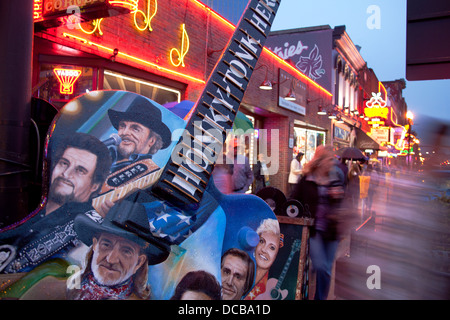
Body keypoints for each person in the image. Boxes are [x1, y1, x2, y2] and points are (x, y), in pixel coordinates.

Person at [0, 133, 112, 274]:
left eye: (80, 171)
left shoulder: (88, 229)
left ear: (95, 185)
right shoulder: (23, 200)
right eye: (64, 163)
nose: (66, 173)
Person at [67, 201, 168, 300]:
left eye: (126, 251)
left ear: (139, 262)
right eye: (106, 245)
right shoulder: (63, 288)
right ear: (95, 245)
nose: (111, 259)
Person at [97, 96, 173, 215]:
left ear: (152, 141)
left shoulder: (155, 178)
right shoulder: (101, 160)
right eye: (122, 126)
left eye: (135, 128)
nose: (125, 132)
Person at [290, 145, 345, 300]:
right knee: (321, 266)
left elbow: (341, 201)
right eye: (329, 159)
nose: (332, 162)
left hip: (331, 230)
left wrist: (338, 200)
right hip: (314, 230)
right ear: (320, 161)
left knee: (326, 270)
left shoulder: (335, 178)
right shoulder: (307, 179)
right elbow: (294, 201)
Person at [244, 218, 280, 300]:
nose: (264, 249)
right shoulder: (240, 270)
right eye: (262, 241)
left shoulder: (273, 287)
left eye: (272, 247)